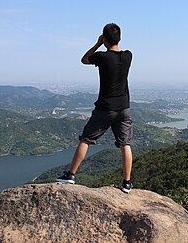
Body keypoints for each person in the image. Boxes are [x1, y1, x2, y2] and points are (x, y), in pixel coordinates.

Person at [56, 23, 134, 193]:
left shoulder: (102, 57)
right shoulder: (128, 56)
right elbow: (117, 50)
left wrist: (98, 44)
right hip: (124, 108)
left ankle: (70, 175)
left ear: (104, 39)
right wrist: (106, 43)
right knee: (125, 144)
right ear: (120, 38)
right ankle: (127, 183)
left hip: (105, 108)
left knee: (86, 139)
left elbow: (84, 59)